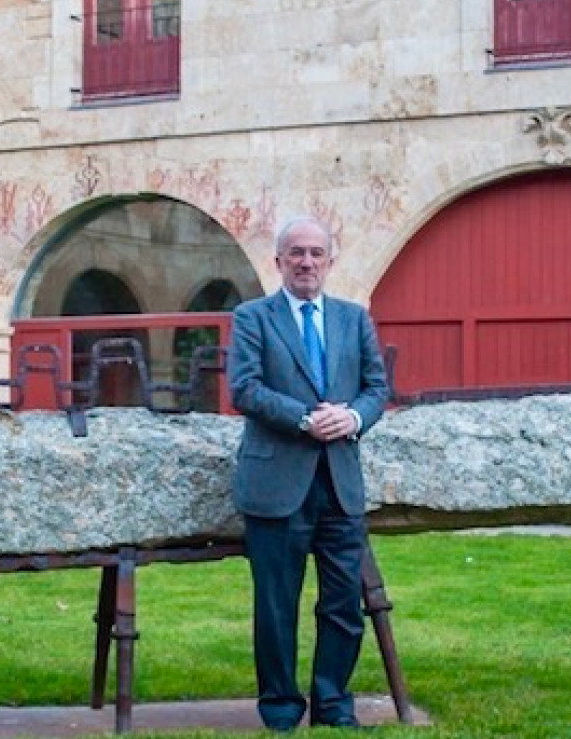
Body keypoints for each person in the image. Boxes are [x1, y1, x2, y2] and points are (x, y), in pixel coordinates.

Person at [228, 215, 392, 730]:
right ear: (278, 262)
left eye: (316, 253)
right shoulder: (253, 317)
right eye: (296, 253)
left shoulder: (353, 317)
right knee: (277, 607)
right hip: (276, 484)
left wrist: (355, 416)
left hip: (340, 483)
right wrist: (304, 420)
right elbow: (245, 388)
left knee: (343, 604)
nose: (306, 262)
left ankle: (333, 706)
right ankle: (279, 710)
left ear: (329, 261)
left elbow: (376, 387)